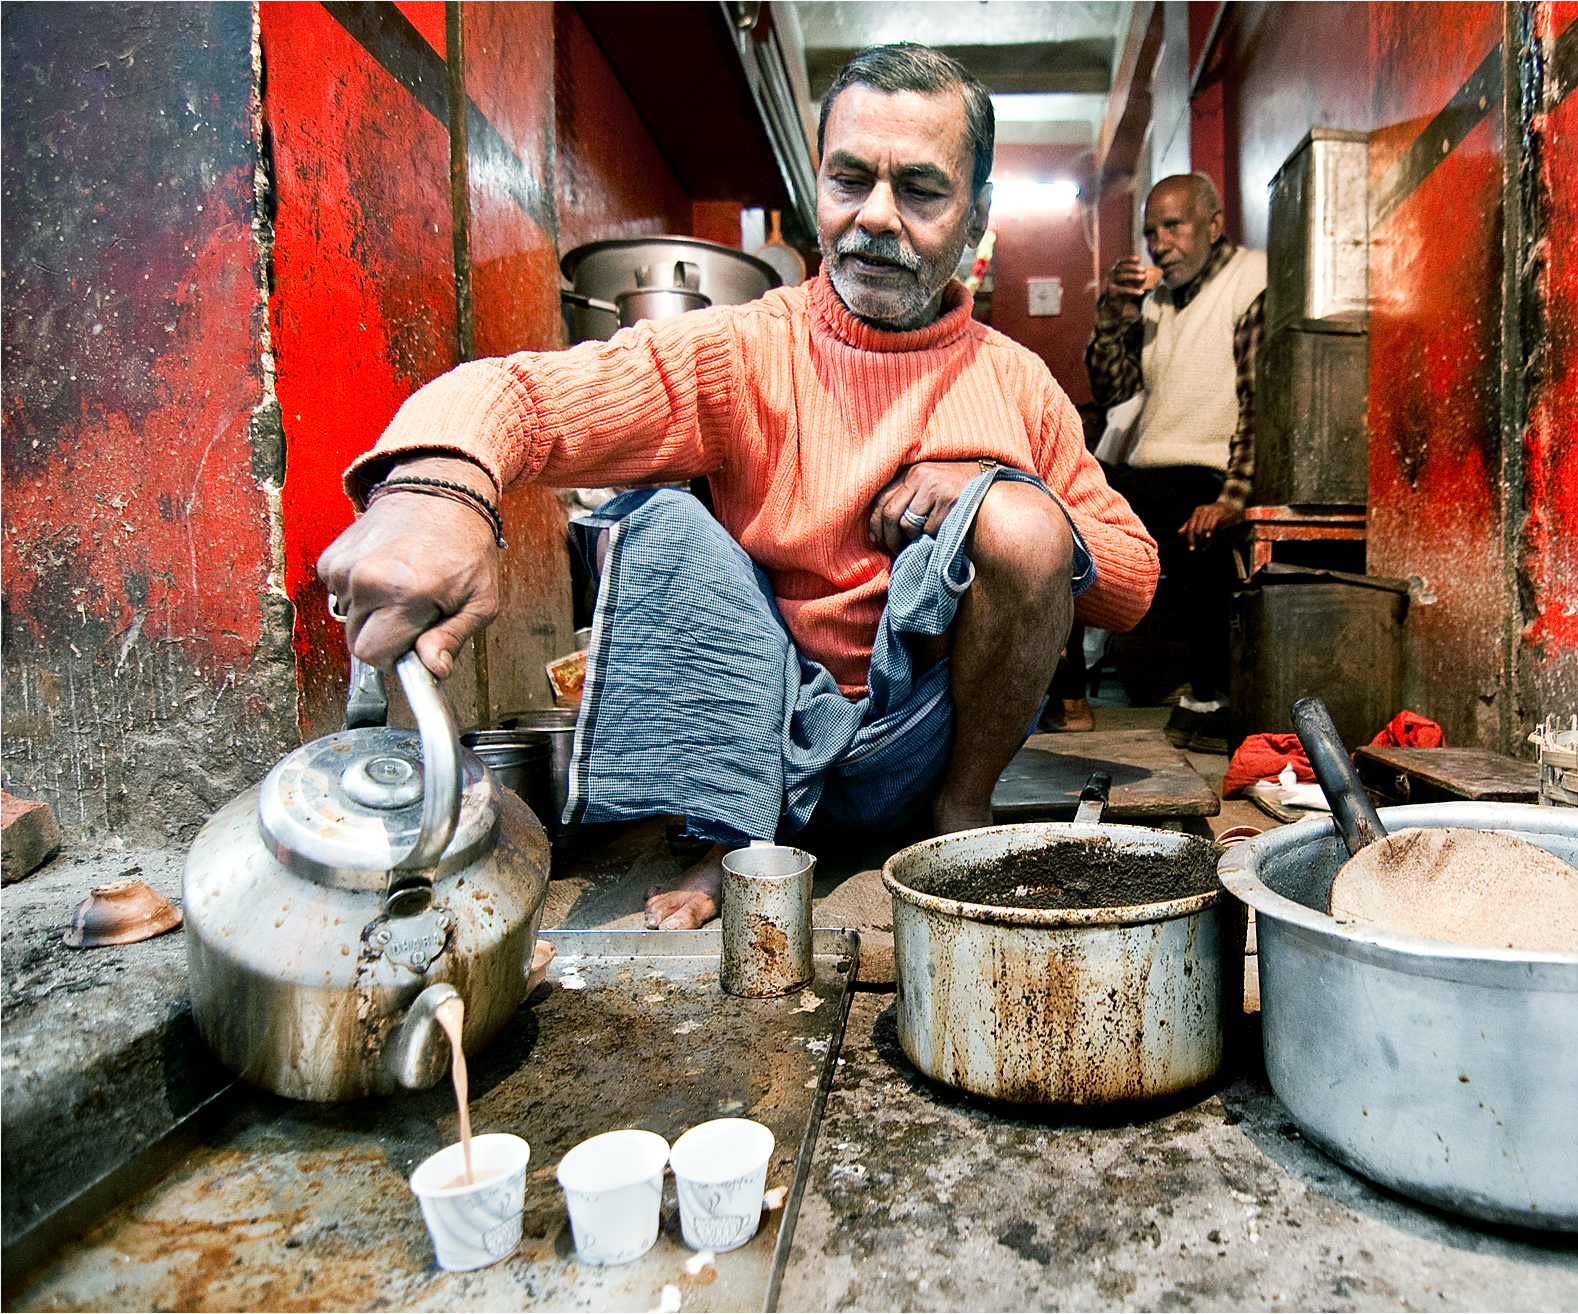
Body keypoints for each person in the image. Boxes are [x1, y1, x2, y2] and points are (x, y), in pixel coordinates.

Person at [317, 44, 1158, 930]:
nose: (875, 217)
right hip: (761, 734)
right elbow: (520, 396)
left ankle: (961, 818)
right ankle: (731, 831)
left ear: (976, 216)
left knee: (1025, 522)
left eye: (920, 190)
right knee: (663, 520)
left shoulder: (1015, 381)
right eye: (848, 180)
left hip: (921, 746)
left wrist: (987, 488)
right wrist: (439, 493)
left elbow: (1132, 582)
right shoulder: (744, 349)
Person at [1084, 173, 1265, 754]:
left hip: (1209, 475)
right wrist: (1115, 313)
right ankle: (1069, 685)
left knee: (1075, 500)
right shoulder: (1157, 303)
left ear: (1213, 226)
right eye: (1150, 232)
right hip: (1157, 476)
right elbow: (1113, 390)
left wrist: (1233, 499)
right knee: (1063, 493)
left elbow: (1261, 402)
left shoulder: (1251, 281)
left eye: (1173, 226)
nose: (1159, 244)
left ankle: (1071, 689)